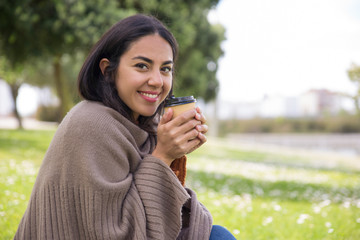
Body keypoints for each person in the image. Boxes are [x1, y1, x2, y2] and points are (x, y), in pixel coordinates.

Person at [15, 14, 236, 240]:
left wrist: (174, 153)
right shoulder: (91, 123)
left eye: (166, 69)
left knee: (217, 234)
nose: (157, 81)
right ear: (108, 70)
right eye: (142, 66)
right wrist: (163, 154)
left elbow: (152, 211)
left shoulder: (144, 124)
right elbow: (117, 233)